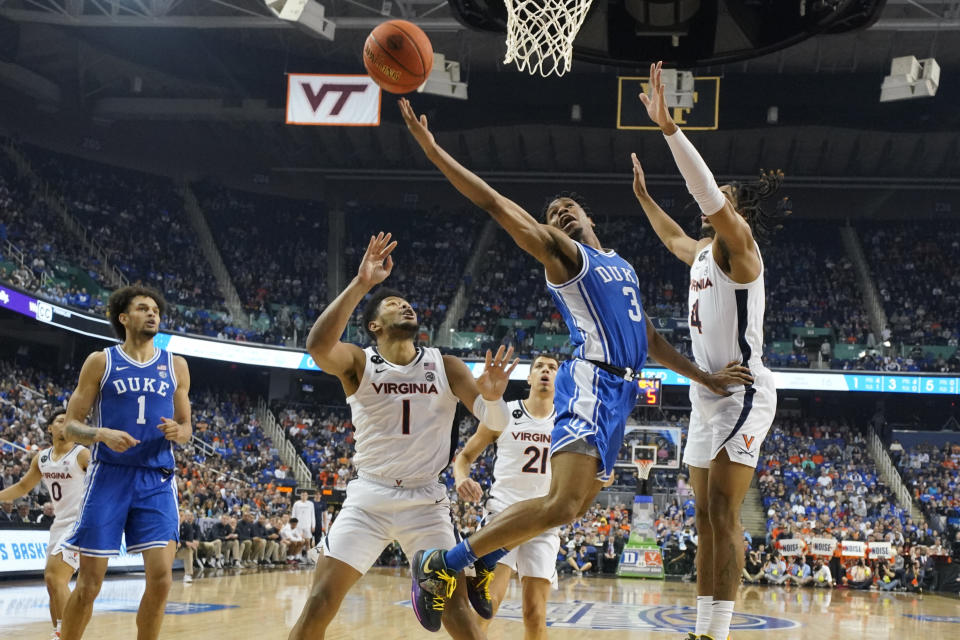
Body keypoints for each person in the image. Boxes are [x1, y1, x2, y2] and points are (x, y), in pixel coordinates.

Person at [399, 93, 750, 627]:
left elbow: (649, 338)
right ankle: (444, 563)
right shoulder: (567, 256)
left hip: (623, 391)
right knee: (563, 504)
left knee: (577, 506)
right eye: (552, 213)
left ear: (587, 214)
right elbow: (496, 205)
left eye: (568, 207)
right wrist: (434, 151)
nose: (559, 212)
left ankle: (489, 553)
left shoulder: (621, 265)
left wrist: (702, 376)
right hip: (591, 381)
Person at [288, 232, 516, 639]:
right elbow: (318, 346)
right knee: (320, 603)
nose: (405, 305)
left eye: (407, 303)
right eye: (393, 303)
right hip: (368, 498)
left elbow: (493, 422)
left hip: (425, 501)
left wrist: (495, 399)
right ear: (374, 325)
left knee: (459, 613)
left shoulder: (445, 365)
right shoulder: (360, 361)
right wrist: (362, 284)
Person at [631, 61, 785, 640]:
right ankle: (699, 628)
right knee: (701, 517)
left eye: (723, 196)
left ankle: (718, 633)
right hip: (705, 392)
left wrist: (670, 129)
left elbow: (702, 191)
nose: (712, 200)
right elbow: (673, 235)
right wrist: (645, 199)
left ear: (736, 210)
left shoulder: (739, 248)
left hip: (742, 390)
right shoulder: (701, 250)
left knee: (724, 513)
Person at [59, 285, 192, 640]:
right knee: (89, 583)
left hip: (157, 478)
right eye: (143, 308)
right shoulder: (101, 361)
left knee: (162, 578)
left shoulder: (175, 364)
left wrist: (180, 432)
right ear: (123, 317)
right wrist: (101, 434)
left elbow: (187, 424)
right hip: (109, 477)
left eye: (156, 310)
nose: (152, 314)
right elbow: (71, 425)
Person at [453, 354, 560, 640]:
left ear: (558, 378)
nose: (545, 371)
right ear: (529, 377)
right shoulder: (505, 414)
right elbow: (464, 457)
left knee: (535, 614)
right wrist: (462, 478)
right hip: (502, 517)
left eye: (552, 368)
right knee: (485, 608)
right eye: (539, 366)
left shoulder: (566, 423)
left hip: (543, 523)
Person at [0, 408, 89, 637]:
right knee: (52, 585)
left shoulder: (81, 454)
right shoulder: (42, 458)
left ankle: (70, 633)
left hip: (81, 523)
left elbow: (103, 483)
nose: (65, 424)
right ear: (49, 427)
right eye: (60, 421)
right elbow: (21, 488)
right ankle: (57, 631)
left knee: (54, 576)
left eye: (69, 421)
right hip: (59, 524)